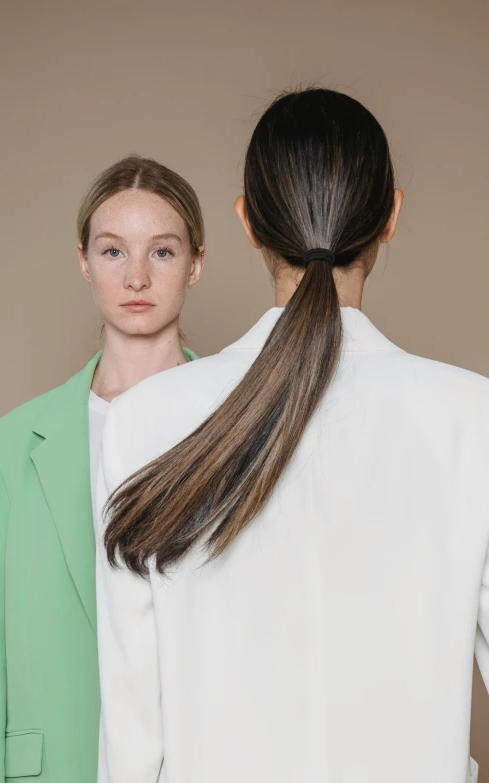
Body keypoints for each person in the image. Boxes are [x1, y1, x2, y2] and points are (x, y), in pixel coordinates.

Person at [95, 90, 487, 783]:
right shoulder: (472, 414)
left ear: (247, 221)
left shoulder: (142, 422)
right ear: (390, 216)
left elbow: (133, 734)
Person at [0, 154, 205, 782]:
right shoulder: (11, 446)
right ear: (83, 261)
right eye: (112, 251)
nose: (136, 277)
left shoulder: (240, 424)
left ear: (196, 264)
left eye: (161, 252)